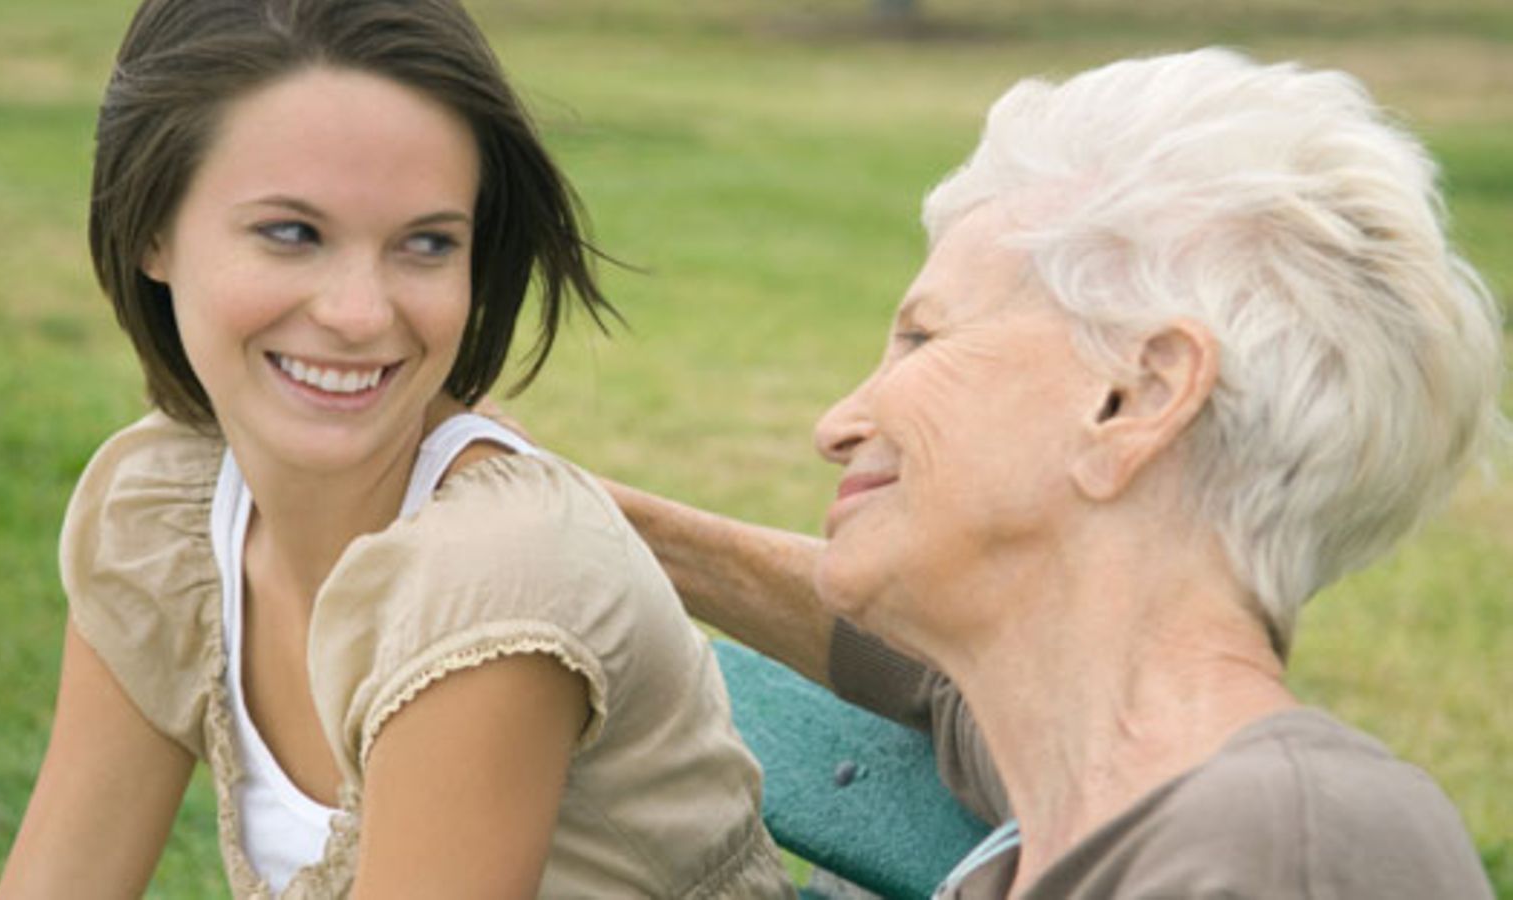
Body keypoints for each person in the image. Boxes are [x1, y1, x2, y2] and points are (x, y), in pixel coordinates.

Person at [607, 49, 1504, 897]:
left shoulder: (1278, 849)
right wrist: (585, 508)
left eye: (923, 337)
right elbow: (926, 677)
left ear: (1136, 396)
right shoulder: (1090, 770)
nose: (835, 424)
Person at [0, 1, 793, 896]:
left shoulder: (494, 583)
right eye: (292, 233)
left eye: (425, 244)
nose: (361, 313)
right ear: (151, 228)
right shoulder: (163, 518)